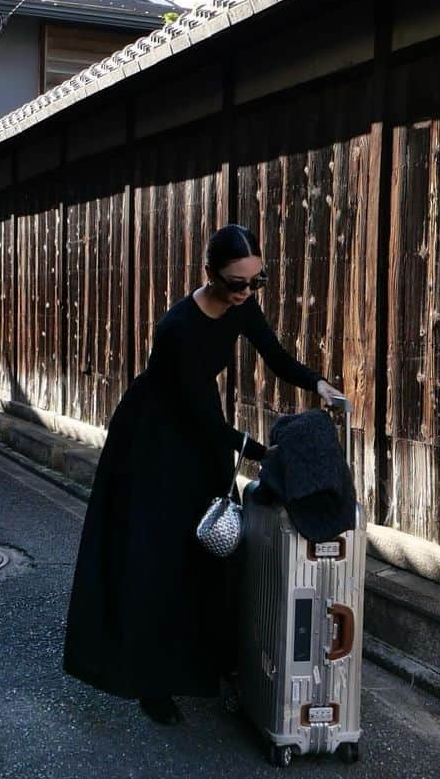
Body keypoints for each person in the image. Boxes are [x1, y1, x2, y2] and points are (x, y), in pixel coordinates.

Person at [62, 224, 344, 724]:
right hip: (155, 439)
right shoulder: (177, 329)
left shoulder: (241, 305)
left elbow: (274, 357)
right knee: (158, 557)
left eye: (257, 282)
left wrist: (317, 383)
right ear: (208, 274)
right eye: (237, 283)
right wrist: (263, 453)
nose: (246, 293)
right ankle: (151, 683)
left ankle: (208, 666)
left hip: (200, 430)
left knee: (211, 548)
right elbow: (203, 422)